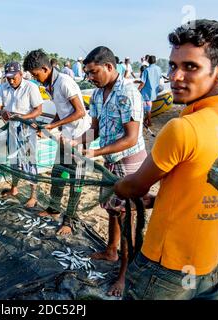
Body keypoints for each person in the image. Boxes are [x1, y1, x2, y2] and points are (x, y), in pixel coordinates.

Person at [115, 19, 218, 300]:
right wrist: (156, 201)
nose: (175, 77)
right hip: (209, 266)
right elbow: (199, 190)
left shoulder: (182, 128)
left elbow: (135, 187)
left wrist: (118, 189)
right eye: (173, 65)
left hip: (167, 271)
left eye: (190, 67)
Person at [72, 46, 147, 297]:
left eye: (94, 72)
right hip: (109, 159)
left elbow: (131, 137)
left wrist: (95, 153)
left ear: (109, 67)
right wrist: (78, 143)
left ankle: (125, 273)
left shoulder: (127, 93)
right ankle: (111, 250)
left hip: (129, 160)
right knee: (111, 209)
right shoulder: (95, 94)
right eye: (87, 73)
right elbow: (95, 128)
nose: (90, 77)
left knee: (126, 217)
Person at [23, 49, 91, 236]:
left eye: (36, 75)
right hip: (65, 135)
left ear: (45, 68)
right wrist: (49, 127)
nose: (36, 79)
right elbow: (62, 110)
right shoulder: (49, 85)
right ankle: (54, 210)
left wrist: (54, 124)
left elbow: (80, 112)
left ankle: (69, 220)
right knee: (58, 174)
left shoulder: (65, 82)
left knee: (75, 181)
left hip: (82, 136)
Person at [0, 62, 43, 208]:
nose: (10, 80)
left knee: (29, 160)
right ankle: (14, 188)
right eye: (8, 77)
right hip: (12, 129)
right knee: (14, 159)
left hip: (27, 129)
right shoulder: (4, 87)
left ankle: (33, 195)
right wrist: (2, 112)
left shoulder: (30, 87)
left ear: (20, 74)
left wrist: (22, 117)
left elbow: (38, 110)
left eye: (13, 77)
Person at [138, 55, 162, 127]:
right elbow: (159, 77)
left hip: (146, 91)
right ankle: (146, 120)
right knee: (149, 106)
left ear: (148, 61)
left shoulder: (147, 70)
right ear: (155, 61)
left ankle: (149, 122)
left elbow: (143, 83)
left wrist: (138, 90)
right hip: (154, 91)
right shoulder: (159, 69)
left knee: (147, 108)